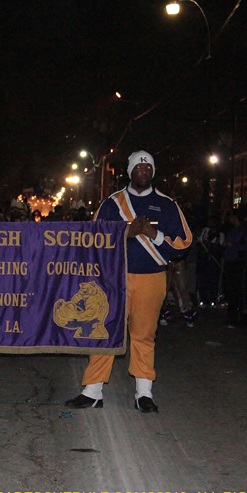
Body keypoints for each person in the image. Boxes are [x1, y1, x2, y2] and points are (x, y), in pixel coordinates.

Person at [65, 151, 192, 413]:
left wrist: (154, 234)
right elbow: (94, 239)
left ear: (153, 171)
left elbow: (183, 244)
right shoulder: (113, 203)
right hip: (115, 278)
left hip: (152, 278)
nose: (144, 171)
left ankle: (144, 393)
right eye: (139, 167)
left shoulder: (167, 204)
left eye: (148, 167)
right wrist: (126, 232)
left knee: (144, 335)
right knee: (103, 330)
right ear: (130, 171)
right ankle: (92, 391)